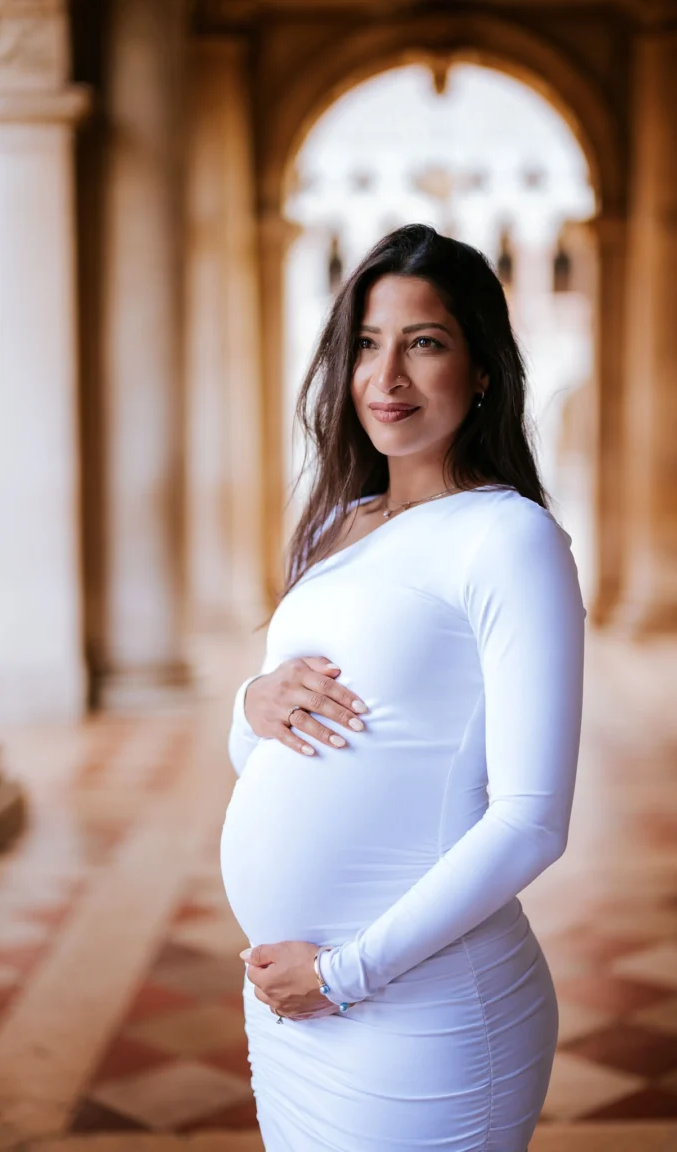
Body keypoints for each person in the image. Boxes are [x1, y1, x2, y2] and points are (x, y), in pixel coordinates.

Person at [221, 223, 586, 1151]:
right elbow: (271, 747)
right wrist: (251, 703)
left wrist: (344, 974)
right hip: (290, 1004)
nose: (386, 379)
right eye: (368, 345)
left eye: (424, 343)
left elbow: (532, 820)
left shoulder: (510, 540)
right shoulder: (341, 524)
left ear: (483, 371)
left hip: (418, 1011)